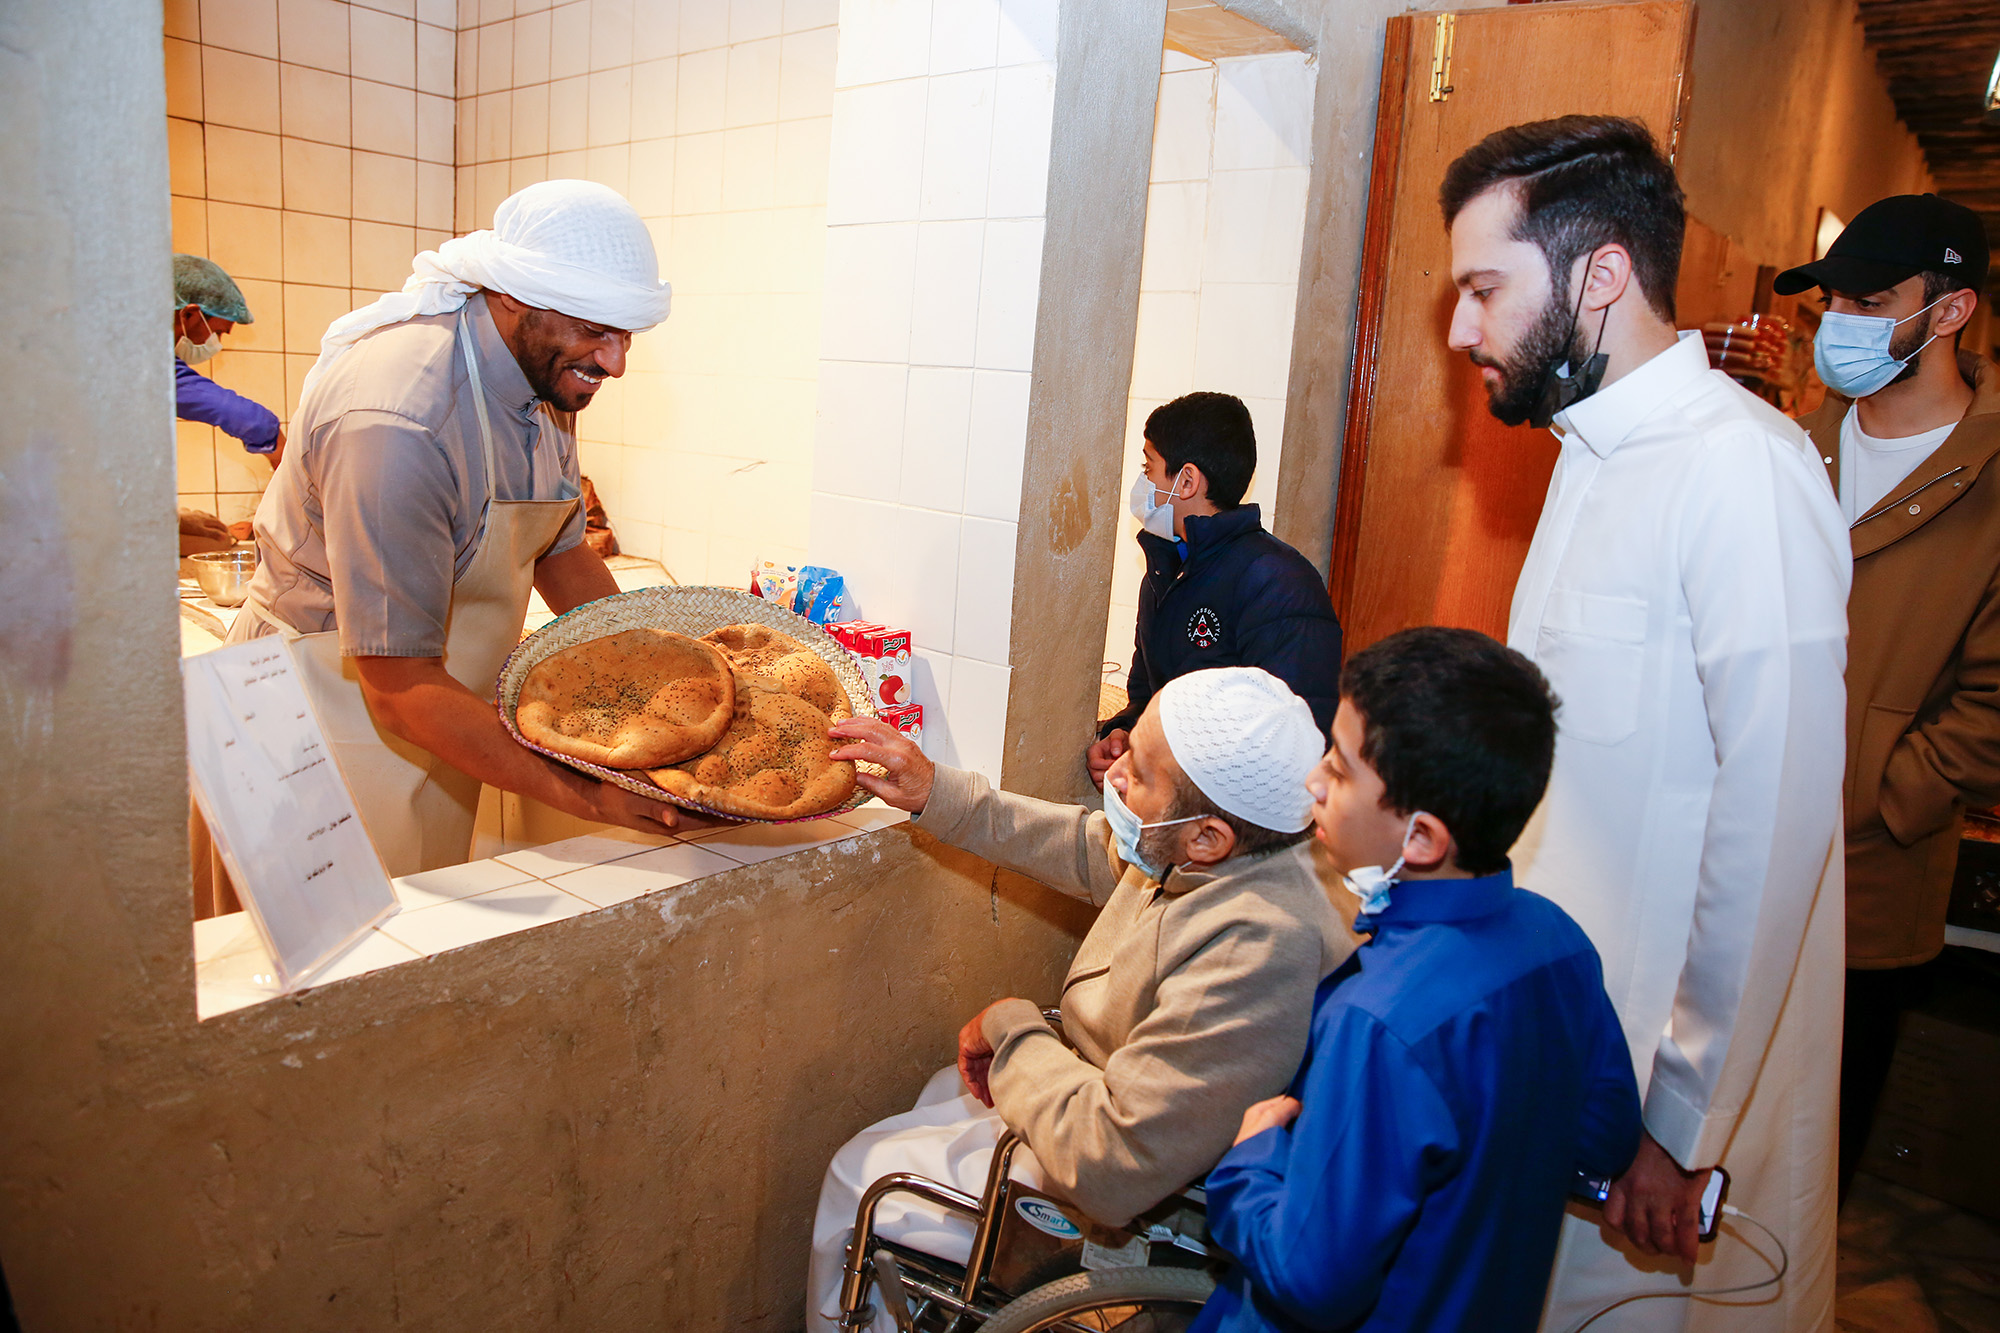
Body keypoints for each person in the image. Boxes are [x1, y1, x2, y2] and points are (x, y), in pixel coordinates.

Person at [1442, 117, 1849, 1330]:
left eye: (1483, 289)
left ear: (1600, 273)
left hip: (1663, 1091)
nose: (1460, 328)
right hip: (1571, 1043)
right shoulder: (1585, 452)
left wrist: (1679, 1120)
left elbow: (1774, 820)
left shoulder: (1740, 469)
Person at [809, 668, 1355, 1333]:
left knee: (861, 1176)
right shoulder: (1229, 848)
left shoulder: (1260, 948)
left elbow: (1113, 1164)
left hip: (1133, 1203)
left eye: (1141, 773)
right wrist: (936, 792)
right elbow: (1091, 849)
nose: (1114, 774)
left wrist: (1012, 1026)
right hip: (1115, 1091)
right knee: (938, 1093)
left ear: (1208, 838)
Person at [230, 180, 696, 878]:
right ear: (512, 296)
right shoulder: (398, 421)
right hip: (320, 715)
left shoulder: (543, 378)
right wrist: (591, 795)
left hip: (441, 706)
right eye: (595, 330)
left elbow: (559, 550)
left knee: (427, 916)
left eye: (626, 333)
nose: (615, 362)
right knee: (351, 936)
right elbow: (398, 687)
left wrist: (660, 676)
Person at [1193, 627, 1640, 1333]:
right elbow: (1605, 1139)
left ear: (1423, 839)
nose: (1314, 782)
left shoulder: (1379, 1022)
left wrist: (1250, 1161)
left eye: (1340, 771)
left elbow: (1312, 1282)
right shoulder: (1558, 941)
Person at [1773, 194, 2000, 1202]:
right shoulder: (1787, 446)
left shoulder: (1988, 479)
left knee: (1808, 1165)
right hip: (1736, 851)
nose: (1840, 325)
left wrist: (1871, 793)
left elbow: (1990, 715)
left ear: (1949, 312)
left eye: (1868, 304)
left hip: (1869, 884)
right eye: (1830, 302)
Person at [1088, 392, 1342, 790]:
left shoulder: (1278, 582)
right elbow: (1147, 696)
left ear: (1187, 481)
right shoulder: (1165, 568)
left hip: (1231, 817)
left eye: (1148, 467)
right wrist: (1124, 735)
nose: (1142, 482)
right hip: (1172, 804)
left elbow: (1299, 742)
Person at [172, 254, 284, 555]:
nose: (218, 343)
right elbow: (247, 418)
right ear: (190, 314)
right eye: (219, 332)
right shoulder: (139, 358)